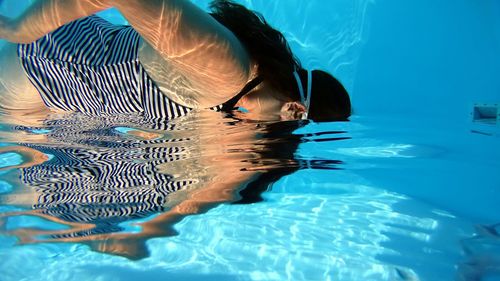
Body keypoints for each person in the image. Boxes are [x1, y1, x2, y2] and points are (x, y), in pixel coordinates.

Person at [0, 0, 351, 122]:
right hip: (41, 66)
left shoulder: (237, 87)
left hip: (59, 82)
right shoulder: (227, 68)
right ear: (293, 110)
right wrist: (19, 30)